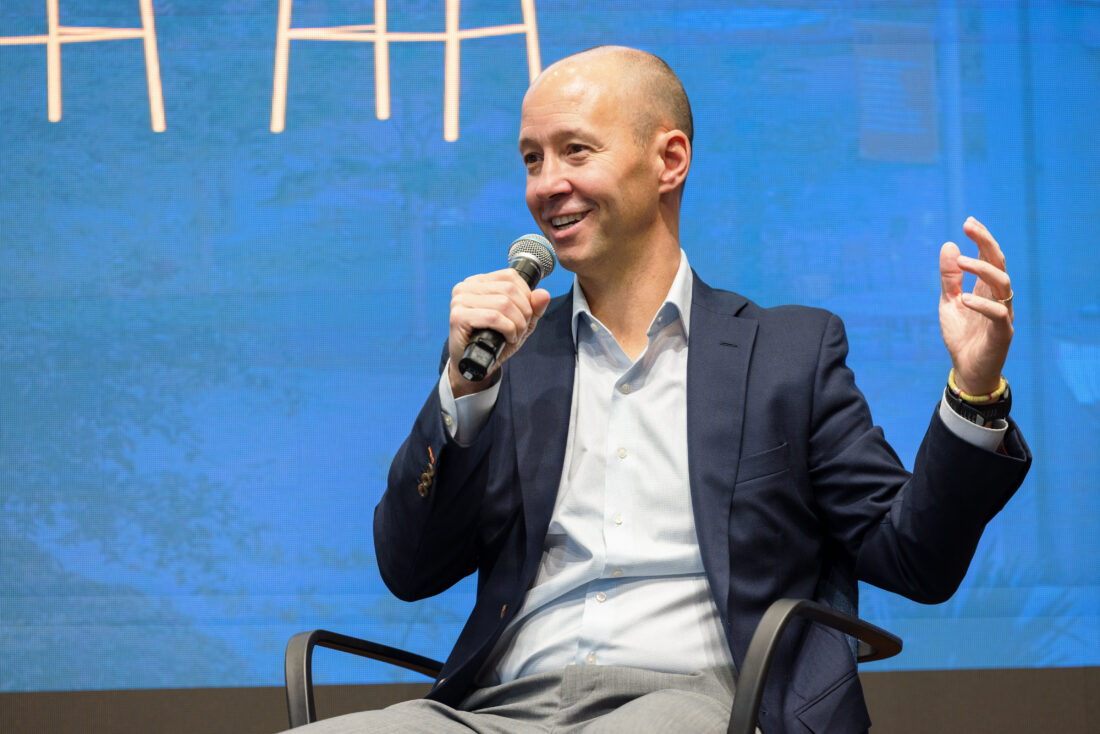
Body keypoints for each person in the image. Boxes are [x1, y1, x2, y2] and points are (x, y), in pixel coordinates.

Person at [308, 46, 1031, 733]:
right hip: (498, 708)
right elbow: (408, 569)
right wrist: (463, 395)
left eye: (575, 151)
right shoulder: (507, 359)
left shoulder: (787, 353)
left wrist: (974, 388)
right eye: (532, 159)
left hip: (700, 703)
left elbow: (913, 558)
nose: (546, 184)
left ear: (669, 161)